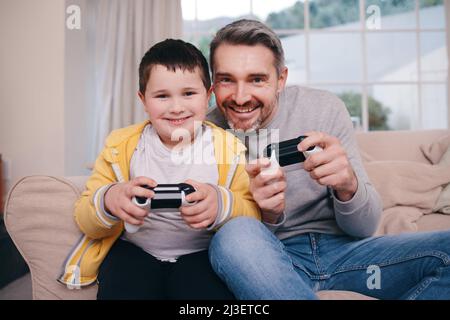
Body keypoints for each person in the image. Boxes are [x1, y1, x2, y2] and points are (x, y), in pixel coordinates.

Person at [206, 19, 450, 300]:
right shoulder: (204, 133)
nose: (240, 97)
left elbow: (365, 227)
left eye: (257, 79)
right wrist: (266, 214)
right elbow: (218, 242)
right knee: (234, 234)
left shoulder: (323, 109)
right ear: (213, 83)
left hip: (348, 254)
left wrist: (348, 186)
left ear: (280, 80)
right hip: (271, 261)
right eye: (226, 79)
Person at [58, 39, 260, 299]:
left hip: (201, 254)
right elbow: (86, 218)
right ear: (143, 100)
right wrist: (109, 199)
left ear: (208, 96)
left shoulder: (228, 150)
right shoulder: (122, 146)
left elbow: (251, 215)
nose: (176, 107)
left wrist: (222, 203)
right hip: (134, 253)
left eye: (188, 94)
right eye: (162, 96)